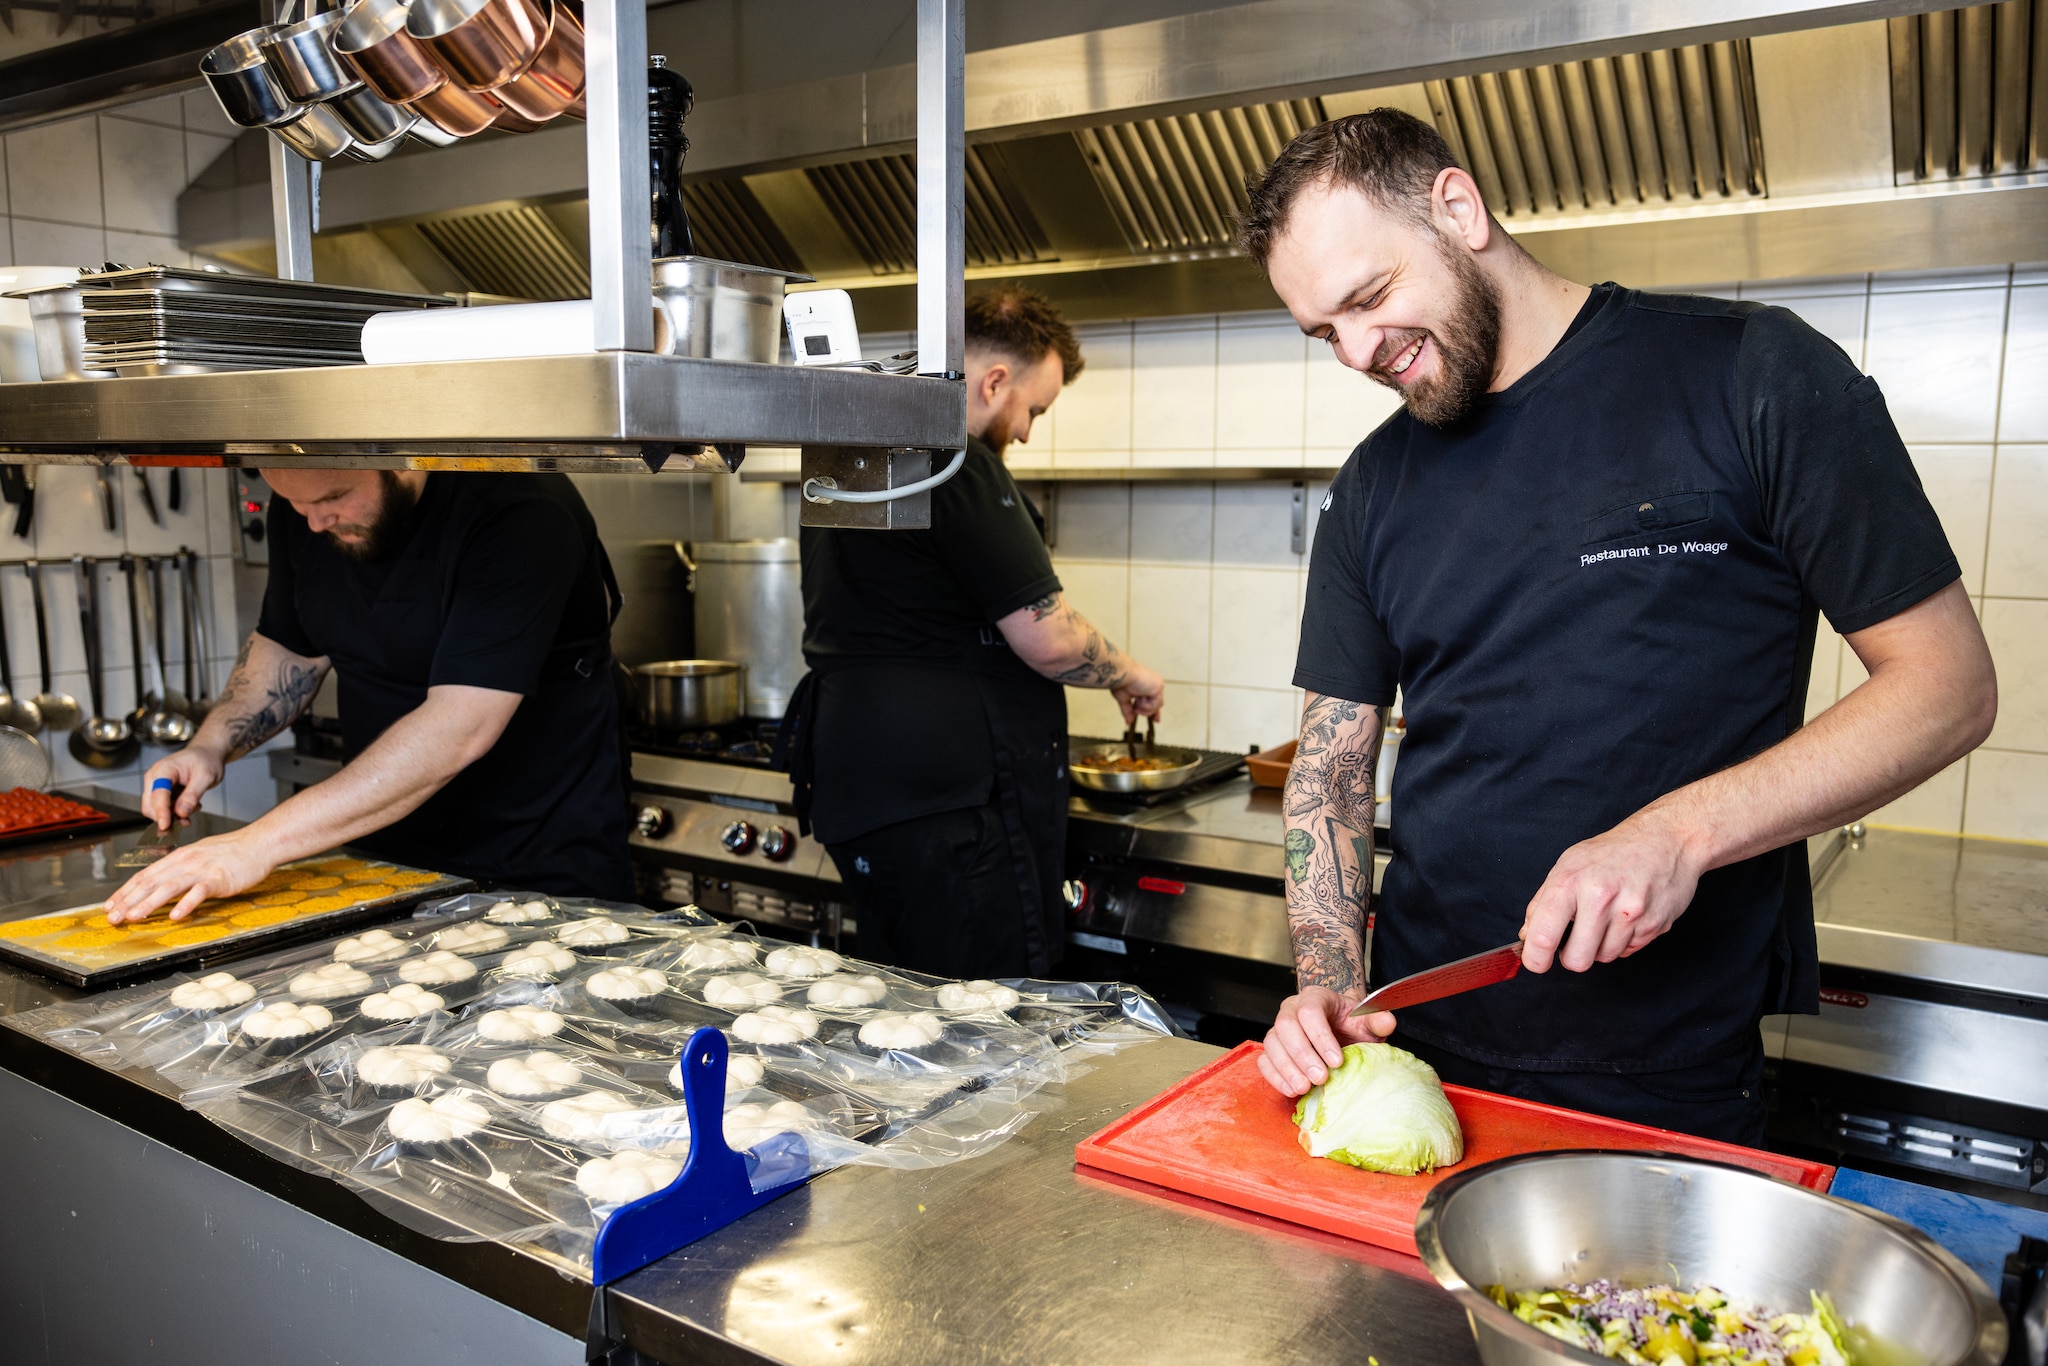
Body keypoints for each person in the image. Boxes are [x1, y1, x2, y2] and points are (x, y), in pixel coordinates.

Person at [1244, 111, 1997, 1143]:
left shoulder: (1751, 374)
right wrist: (1327, 986)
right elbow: (1330, 771)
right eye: (1324, 332)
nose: (1358, 353)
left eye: (1368, 299)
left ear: (1457, 209)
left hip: (1670, 1071)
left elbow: (1947, 685)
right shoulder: (1372, 485)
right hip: (1418, 1054)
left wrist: (1676, 833)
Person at [784, 287, 1166, 980]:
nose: (1026, 433)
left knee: (904, 1004)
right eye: (1033, 410)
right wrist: (1133, 673)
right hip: (951, 811)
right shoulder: (954, 458)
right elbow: (1050, 639)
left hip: (856, 787)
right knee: (984, 1017)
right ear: (993, 382)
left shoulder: (852, 451)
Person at [104, 469, 632, 922]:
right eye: (296, 504)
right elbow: (291, 650)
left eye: (334, 497)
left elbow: (460, 726)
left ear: (400, 460)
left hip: (535, 865)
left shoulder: (521, 509)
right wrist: (210, 746)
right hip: (386, 861)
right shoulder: (308, 506)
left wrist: (257, 844)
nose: (315, 522)